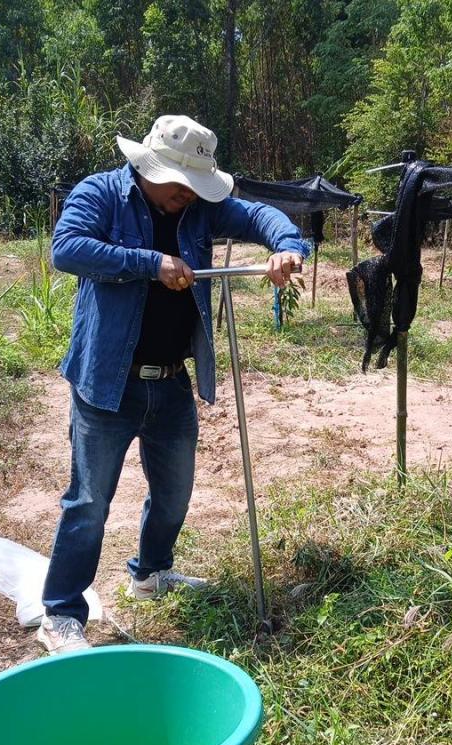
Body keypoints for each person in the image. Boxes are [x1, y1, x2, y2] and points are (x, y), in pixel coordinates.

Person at [37, 115, 307, 653]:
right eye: (178, 185)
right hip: (105, 385)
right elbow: (66, 249)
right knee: (89, 501)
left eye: (194, 187)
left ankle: (151, 573)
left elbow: (259, 215)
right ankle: (62, 613)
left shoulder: (201, 207)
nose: (187, 195)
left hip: (172, 382)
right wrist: (148, 262)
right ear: (146, 166)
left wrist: (286, 244)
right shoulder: (102, 194)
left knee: (175, 494)